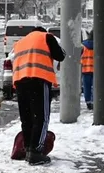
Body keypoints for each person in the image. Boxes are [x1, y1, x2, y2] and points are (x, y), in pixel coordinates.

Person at [11, 26, 65, 165]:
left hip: (20, 82)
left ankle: (28, 148)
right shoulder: (46, 37)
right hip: (38, 80)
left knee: (27, 118)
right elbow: (60, 56)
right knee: (41, 117)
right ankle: (36, 152)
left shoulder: (20, 42)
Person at [81, 31, 94, 110]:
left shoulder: (83, 45)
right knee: (95, 87)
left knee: (86, 87)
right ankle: (94, 101)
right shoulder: (99, 44)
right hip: (96, 69)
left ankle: (88, 102)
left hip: (85, 69)